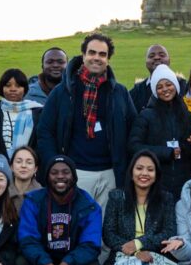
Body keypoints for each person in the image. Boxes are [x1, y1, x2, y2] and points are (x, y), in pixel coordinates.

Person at [36, 32, 134, 205]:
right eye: (92, 52)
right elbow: (45, 131)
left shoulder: (120, 92)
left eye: (102, 54)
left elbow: (133, 129)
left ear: (108, 59)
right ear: (83, 55)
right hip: (75, 173)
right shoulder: (62, 92)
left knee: (106, 229)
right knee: (75, 228)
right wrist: (55, 164)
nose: (96, 58)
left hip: (110, 174)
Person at [100, 151, 189, 265]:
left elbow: (169, 232)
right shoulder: (117, 197)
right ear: (131, 172)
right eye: (139, 168)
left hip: (157, 259)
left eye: (150, 170)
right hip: (123, 258)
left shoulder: (166, 199)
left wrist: (139, 243)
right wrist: (135, 252)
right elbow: (108, 233)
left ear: (156, 175)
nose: (144, 174)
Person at [17, 155, 107, 265]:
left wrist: (68, 263)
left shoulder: (88, 204)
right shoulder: (33, 200)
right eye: (54, 172)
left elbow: (91, 245)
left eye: (66, 172)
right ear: (46, 176)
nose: (60, 176)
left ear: (74, 176)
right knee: (20, 263)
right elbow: (27, 239)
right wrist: (45, 263)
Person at [129, 63, 191, 197]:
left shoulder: (188, 116)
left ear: (175, 85)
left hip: (185, 184)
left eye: (169, 84)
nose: (165, 89)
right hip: (157, 183)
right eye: (159, 87)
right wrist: (166, 152)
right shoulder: (146, 116)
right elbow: (134, 146)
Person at [0, 68, 42, 161]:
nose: (13, 89)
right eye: (8, 85)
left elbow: (38, 143)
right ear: (2, 88)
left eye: (18, 86)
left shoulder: (37, 112)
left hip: (27, 166)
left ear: (25, 89)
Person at [129, 44, 186, 111]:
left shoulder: (184, 87)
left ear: (169, 60)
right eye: (151, 56)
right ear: (146, 62)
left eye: (162, 55)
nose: (156, 58)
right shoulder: (136, 92)